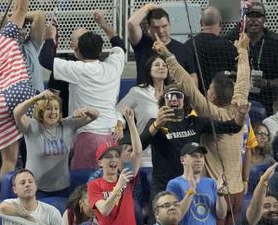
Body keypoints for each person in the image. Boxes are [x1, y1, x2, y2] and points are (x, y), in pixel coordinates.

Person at [157, 36, 251, 225]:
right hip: (238, 193)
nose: (206, 91)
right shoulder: (240, 106)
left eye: (208, 89)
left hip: (216, 194)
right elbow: (243, 80)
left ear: (213, 96)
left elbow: (188, 86)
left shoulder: (210, 111)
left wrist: (167, 56)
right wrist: (242, 51)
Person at [139, 84, 245, 199]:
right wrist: (156, 125)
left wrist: (241, 114)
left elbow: (233, 127)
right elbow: (140, 145)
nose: (174, 99)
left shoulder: (195, 122)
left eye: (178, 96)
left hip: (190, 185)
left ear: (184, 102)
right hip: (164, 186)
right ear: (163, 102)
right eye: (169, 96)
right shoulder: (154, 123)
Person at [0, 0, 39, 182]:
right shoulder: (6, 36)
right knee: (36, 148)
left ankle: (6, 197)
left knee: (8, 160)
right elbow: (21, 7)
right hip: (20, 92)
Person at [50, 31, 125, 170]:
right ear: (101, 49)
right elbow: (120, 45)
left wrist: (50, 37)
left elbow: (44, 60)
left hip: (87, 135)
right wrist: (103, 24)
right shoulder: (113, 66)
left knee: (84, 185)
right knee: (111, 183)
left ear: (77, 50)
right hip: (111, 134)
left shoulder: (77, 68)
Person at [14, 90, 97, 196]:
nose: (53, 112)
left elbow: (95, 115)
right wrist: (36, 98)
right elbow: (17, 113)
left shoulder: (67, 124)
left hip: (62, 187)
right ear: (41, 111)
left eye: (56, 109)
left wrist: (86, 110)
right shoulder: (31, 126)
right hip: (36, 188)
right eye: (48, 109)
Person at [88, 110, 142, 225]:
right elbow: (104, 210)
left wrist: (131, 123)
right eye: (108, 156)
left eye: (116, 156)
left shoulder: (126, 177)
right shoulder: (95, 185)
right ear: (100, 163)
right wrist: (118, 186)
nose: (113, 159)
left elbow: (138, 152)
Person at [235, 3, 278, 114]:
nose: (253, 20)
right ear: (245, 19)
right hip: (238, 98)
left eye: (258, 16)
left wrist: (266, 83)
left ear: (264, 19)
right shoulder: (236, 40)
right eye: (250, 16)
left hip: (266, 101)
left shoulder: (275, 45)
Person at [118, 55, 169, 171]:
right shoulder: (138, 92)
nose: (161, 68)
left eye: (164, 66)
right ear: (149, 70)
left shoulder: (174, 94)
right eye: (157, 65)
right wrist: (119, 125)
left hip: (169, 155)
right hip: (145, 155)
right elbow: (118, 111)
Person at [165, 142, 224, 225]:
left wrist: (220, 194)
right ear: (182, 160)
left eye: (201, 156)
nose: (199, 160)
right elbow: (174, 217)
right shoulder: (174, 184)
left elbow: (221, 215)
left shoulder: (212, 183)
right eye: (194, 156)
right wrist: (191, 191)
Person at [126, 4, 195, 82]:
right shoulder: (142, 44)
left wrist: (180, 79)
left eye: (164, 26)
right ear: (149, 27)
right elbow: (132, 23)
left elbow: (194, 79)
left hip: (173, 92)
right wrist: (149, 6)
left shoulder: (183, 49)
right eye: (156, 27)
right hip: (146, 93)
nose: (161, 31)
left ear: (169, 24)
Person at [186, 6, 238, 93]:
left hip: (196, 99)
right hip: (222, 99)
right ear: (221, 23)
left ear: (200, 22)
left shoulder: (188, 46)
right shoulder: (229, 47)